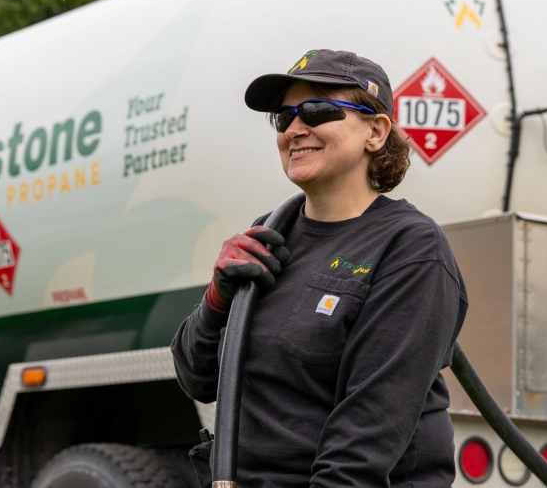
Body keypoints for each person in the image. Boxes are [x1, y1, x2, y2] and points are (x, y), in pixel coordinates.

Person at [171, 49, 468, 488]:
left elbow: (365, 441)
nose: (294, 128)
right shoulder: (269, 235)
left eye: (317, 109)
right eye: (284, 116)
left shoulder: (411, 249)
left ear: (376, 131)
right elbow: (197, 378)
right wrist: (216, 300)